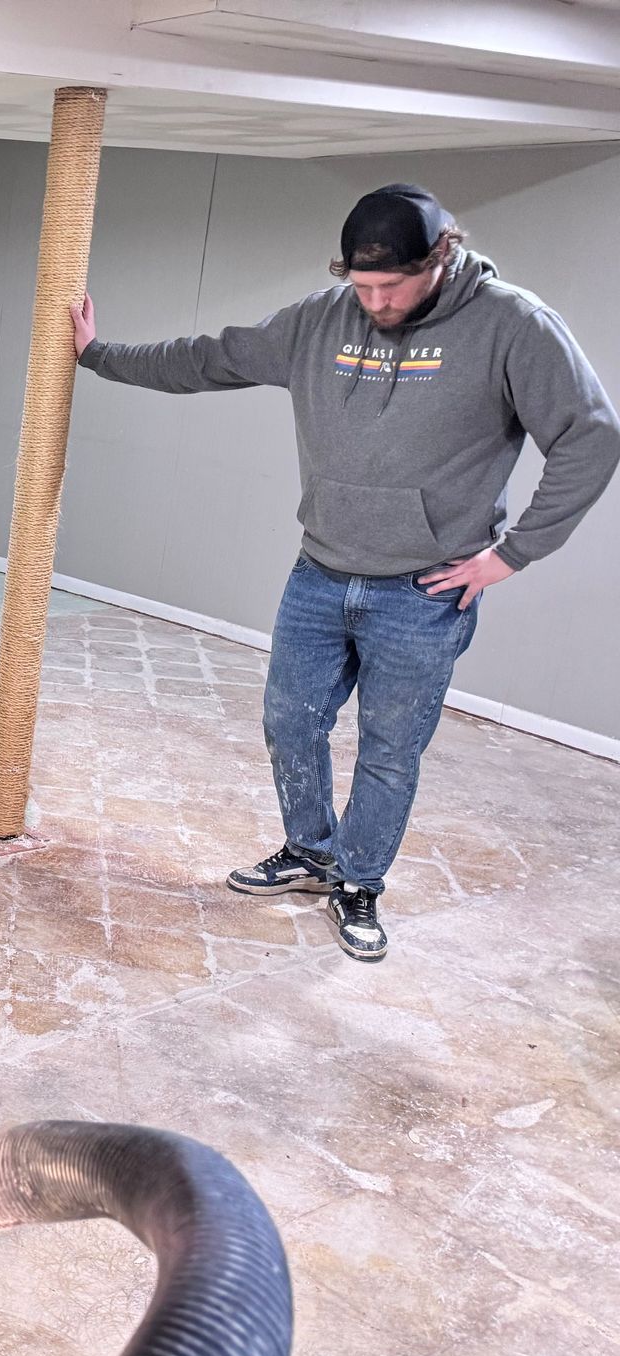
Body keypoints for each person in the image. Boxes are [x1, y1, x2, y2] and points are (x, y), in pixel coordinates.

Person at [70, 183, 618, 961]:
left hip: (425, 590)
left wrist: (512, 553)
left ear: (442, 258)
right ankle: (310, 852)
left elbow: (590, 436)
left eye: (391, 285)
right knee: (290, 721)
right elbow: (210, 358)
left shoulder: (512, 324)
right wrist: (96, 355)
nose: (376, 300)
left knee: (390, 749)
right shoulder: (322, 318)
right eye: (362, 286)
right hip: (320, 573)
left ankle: (360, 880)